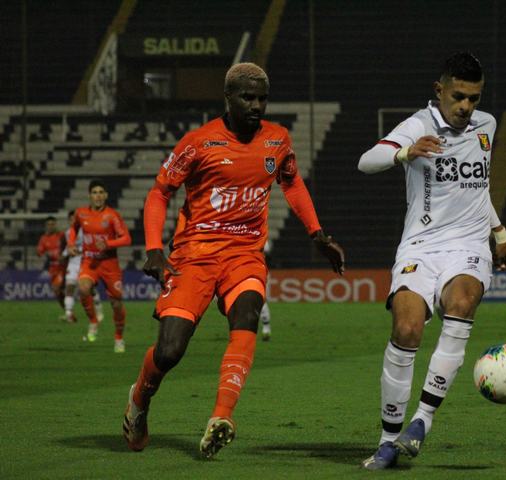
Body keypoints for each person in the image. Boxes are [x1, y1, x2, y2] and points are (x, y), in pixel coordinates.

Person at [122, 62, 345, 458]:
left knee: (247, 314)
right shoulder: (198, 143)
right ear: (228, 98)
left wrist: (317, 234)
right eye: (247, 97)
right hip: (195, 255)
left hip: (244, 253)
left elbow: (292, 182)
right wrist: (154, 248)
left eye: (262, 99)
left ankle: (221, 417)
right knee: (170, 351)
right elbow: (159, 193)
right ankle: (139, 398)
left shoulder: (277, 139)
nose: (256, 105)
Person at [357, 52, 506, 470]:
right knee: (406, 329)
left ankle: (422, 420)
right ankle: (388, 441)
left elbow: (476, 187)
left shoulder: (487, 125)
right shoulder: (417, 125)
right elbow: (366, 161)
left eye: (474, 98)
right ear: (439, 90)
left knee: (461, 302)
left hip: (468, 244)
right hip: (421, 246)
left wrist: (498, 232)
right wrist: (405, 153)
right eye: (458, 96)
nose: (466, 106)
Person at [67, 180, 131, 351]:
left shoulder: (112, 215)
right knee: (83, 288)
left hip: (110, 264)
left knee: (116, 303)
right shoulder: (81, 213)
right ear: (89, 195)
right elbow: (73, 229)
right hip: (89, 261)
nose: (98, 196)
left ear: (106, 195)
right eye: (95, 192)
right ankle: (93, 321)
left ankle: (119, 338)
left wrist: (109, 243)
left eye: (101, 192)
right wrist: (71, 244)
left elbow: (126, 238)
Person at [62, 209, 103, 324]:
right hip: (73, 263)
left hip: (85, 262)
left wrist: (80, 250)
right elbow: (69, 247)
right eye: (70, 219)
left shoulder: (86, 230)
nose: (72, 221)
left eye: (74, 219)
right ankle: (68, 314)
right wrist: (65, 253)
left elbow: (91, 245)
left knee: (90, 289)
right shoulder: (68, 233)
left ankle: (98, 308)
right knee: (69, 287)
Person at [36, 216, 65, 315]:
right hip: (53, 268)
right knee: (57, 292)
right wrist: (40, 251)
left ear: (55, 225)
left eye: (52, 224)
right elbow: (39, 252)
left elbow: (69, 246)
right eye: (48, 224)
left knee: (58, 288)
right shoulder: (44, 238)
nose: (50, 226)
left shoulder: (62, 235)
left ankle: (69, 312)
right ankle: (68, 311)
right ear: (46, 226)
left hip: (64, 266)